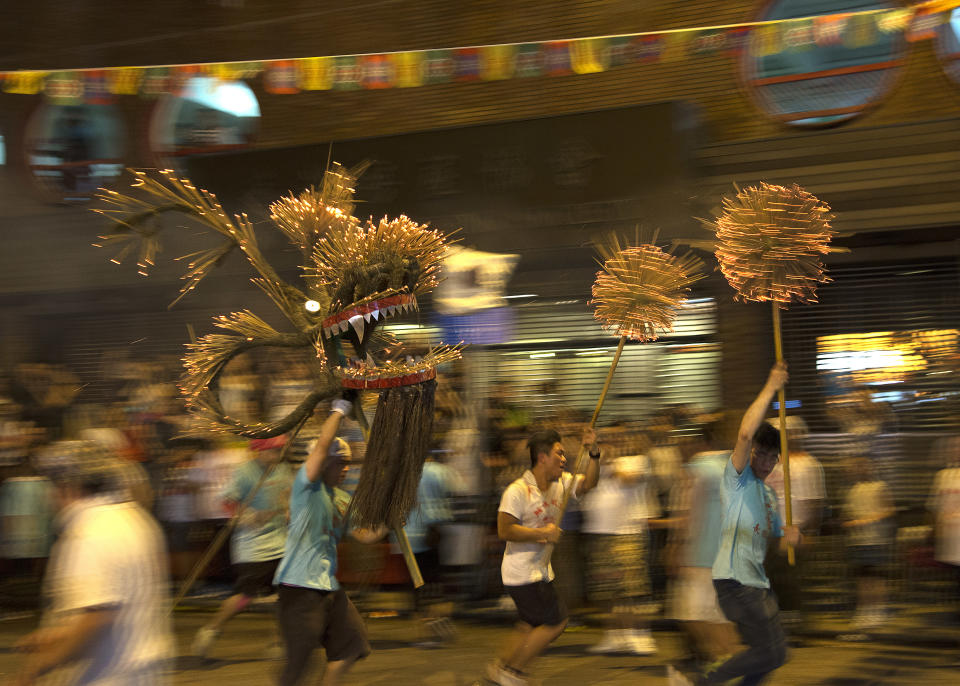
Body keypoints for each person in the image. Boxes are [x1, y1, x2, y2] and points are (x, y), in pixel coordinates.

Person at [670, 362, 800, 686]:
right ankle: (702, 679)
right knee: (769, 651)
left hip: (755, 584)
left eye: (773, 458)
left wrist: (792, 536)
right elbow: (745, 433)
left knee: (774, 653)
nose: (766, 463)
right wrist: (770, 385)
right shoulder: (737, 479)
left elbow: (778, 538)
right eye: (761, 455)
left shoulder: (769, 494)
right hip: (734, 584)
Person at [12, 440, 173, 685]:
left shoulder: (88, 534)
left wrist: (39, 666)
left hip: (106, 676)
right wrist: (60, 633)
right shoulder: (135, 520)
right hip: (144, 673)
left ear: (68, 486)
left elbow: (98, 619)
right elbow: (120, 601)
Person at [274, 395, 384, 686]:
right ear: (324, 465)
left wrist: (391, 518)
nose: (346, 468)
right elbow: (322, 447)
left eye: (348, 463)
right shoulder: (307, 486)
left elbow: (366, 535)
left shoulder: (343, 499)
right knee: (298, 665)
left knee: (353, 644)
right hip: (299, 588)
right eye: (340, 463)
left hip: (328, 587)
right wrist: (340, 410)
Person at [485, 426, 601, 686]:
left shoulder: (561, 483)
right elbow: (505, 529)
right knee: (556, 622)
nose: (564, 458)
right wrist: (543, 534)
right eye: (559, 454)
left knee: (528, 624)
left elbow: (590, 484)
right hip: (522, 572)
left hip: (538, 570)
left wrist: (594, 453)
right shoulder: (517, 490)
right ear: (542, 457)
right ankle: (513, 673)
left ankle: (500, 670)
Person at [192, 435, 294, 659]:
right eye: (273, 450)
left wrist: (287, 508)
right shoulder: (244, 471)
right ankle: (211, 630)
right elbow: (227, 499)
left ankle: (278, 641)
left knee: (286, 593)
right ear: (259, 450)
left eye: (279, 450)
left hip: (281, 542)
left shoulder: (283, 468)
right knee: (245, 596)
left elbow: (287, 493)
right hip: (253, 545)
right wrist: (246, 516)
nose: (278, 454)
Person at [668, 419, 738, 671]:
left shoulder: (697, 467)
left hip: (700, 556)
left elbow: (689, 512)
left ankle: (725, 663)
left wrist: (676, 548)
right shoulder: (735, 467)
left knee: (691, 614)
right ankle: (728, 663)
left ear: (702, 441)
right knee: (719, 616)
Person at [582, 444, 659, 655]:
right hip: (599, 534)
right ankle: (614, 635)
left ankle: (640, 635)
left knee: (631, 590)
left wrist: (610, 465)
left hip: (627, 534)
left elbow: (630, 477)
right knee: (606, 591)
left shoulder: (636, 460)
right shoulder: (591, 465)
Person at [841, 454, 895, 635]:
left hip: (875, 539)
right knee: (862, 578)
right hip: (858, 540)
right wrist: (849, 521)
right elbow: (848, 513)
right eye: (858, 467)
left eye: (864, 466)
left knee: (876, 577)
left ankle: (879, 609)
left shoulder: (880, 487)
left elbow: (889, 510)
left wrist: (867, 520)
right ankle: (864, 610)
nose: (861, 470)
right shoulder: (854, 490)